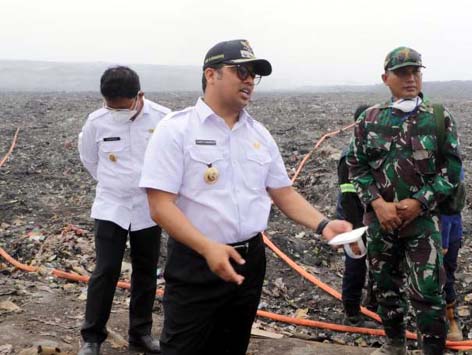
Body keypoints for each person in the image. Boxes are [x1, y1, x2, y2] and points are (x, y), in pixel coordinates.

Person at [138, 39, 351, 355]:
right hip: (198, 261)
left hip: (249, 261)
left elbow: (283, 192)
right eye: (241, 71)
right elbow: (160, 206)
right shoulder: (176, 130)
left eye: (254, 74)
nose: (249, 80)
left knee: (232, 345)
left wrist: (323, 225)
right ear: (211, 75)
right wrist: (208, 248)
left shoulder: (258, 135)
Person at [346, 46, 462, 355]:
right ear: (386, 78)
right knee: (385, 288)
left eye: (416, 72)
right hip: (381, 222)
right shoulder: (369, 119)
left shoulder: (438, 118)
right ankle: (394, 345)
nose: (410, 79)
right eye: (402, 73)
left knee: (428, 294)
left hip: (421, 223)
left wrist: (420, 202)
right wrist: (376, 204)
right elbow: (356, 166)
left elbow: (451, 171)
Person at [77, 66, 170, 355]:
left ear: (139, 96)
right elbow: (89, 160)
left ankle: (140, 333)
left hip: (148, 206)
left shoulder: (163, 118)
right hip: (112, 205)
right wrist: (116, 184)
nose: (115, 112)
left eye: (123, 107)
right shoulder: (96, 122)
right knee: (105, 270)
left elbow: (169, 159)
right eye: (110, 106)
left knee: (146, 270)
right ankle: (92, 338)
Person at [336, 104, 377, 327]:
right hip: (352, 220)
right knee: (356, 264)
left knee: (378, 263)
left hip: (372, 217)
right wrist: (355, 232)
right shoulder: (348, 157)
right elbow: (349, 198)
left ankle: (373, 304)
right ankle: (351, 312)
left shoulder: (375, 150)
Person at [440, 167, 465, 341]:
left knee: (445, 275)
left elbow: (452, 202)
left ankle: (451, 319)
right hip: (420, 228)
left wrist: (444, 238)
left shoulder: (450, 160)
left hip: (447, 230)